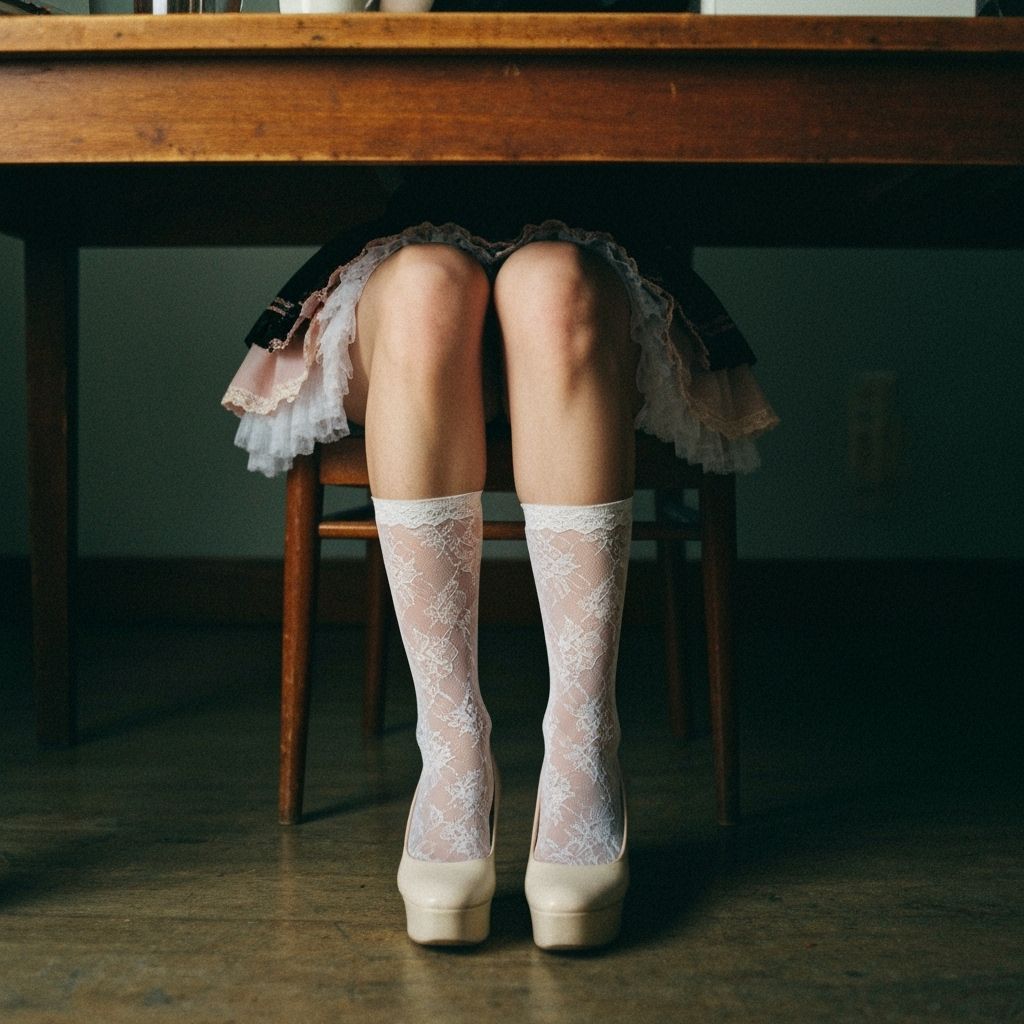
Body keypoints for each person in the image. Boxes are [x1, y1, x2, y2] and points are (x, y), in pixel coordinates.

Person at [222, 1, 777, 950]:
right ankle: (453, 758)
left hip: (601, 219)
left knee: (552, 285)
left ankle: (582, 751)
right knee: (431, 291)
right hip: (422, 216)